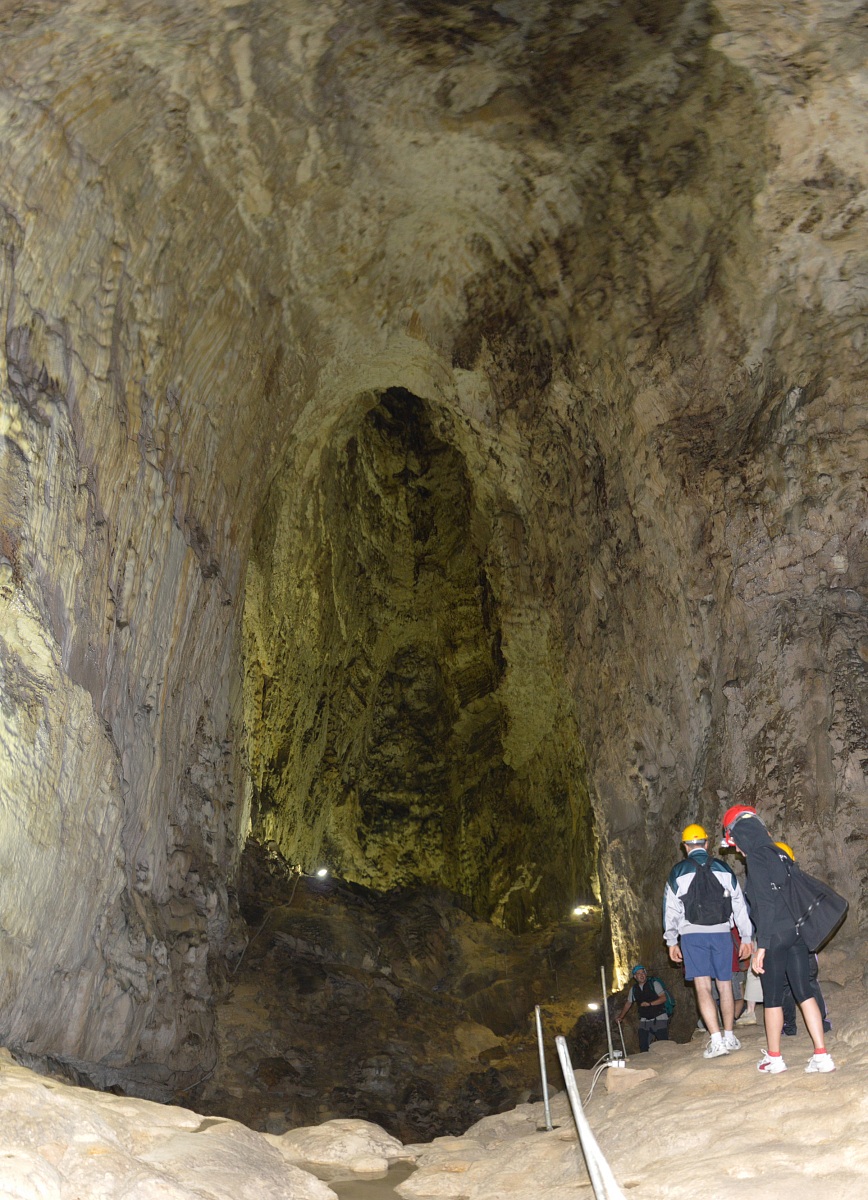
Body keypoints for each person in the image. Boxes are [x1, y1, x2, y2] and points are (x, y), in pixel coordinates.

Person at [721, 806, 835, 1074]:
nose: (737, 850)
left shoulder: (757, 859)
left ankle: (774, 1058)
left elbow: (765, 904)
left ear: (744, 835)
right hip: (797, 931)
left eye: (736, 843)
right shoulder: (780, 853)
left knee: (772, 997)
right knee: (804, 992)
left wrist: (763, 945)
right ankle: (821, 1055)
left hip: (776, 935)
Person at [664, 823, 753, 1059]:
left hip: (692, 936)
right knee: (724, 984)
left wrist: (671, 941)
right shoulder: (723, 868)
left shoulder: (678, 872)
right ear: (706, 843)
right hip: (723, 933)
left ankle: (716, 1040)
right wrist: (746, 936)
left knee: (702, 986)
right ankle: (730, 1036)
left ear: (685, 846)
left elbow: (670, 910)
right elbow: (739, 904)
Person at [773, 842, 831, 1038]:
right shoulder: (802, 882)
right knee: (809, 981)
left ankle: (789, 1026)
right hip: (805, 939)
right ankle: (821, 1022)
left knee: (785, 984)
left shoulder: (771, 885)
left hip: (783, 939)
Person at [615, 964, 670, 1051]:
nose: (641, 975)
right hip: (644, 1020)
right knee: (643, 1045)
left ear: (646, 974)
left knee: (664, 1044)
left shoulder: (654, 984)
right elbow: (628, 1003)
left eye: (643, 972)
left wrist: (650, 1004)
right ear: (635, 976)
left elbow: (663, 998)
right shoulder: (634, 989)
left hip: (659, 1018)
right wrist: (621, 1017)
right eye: (638, 973)